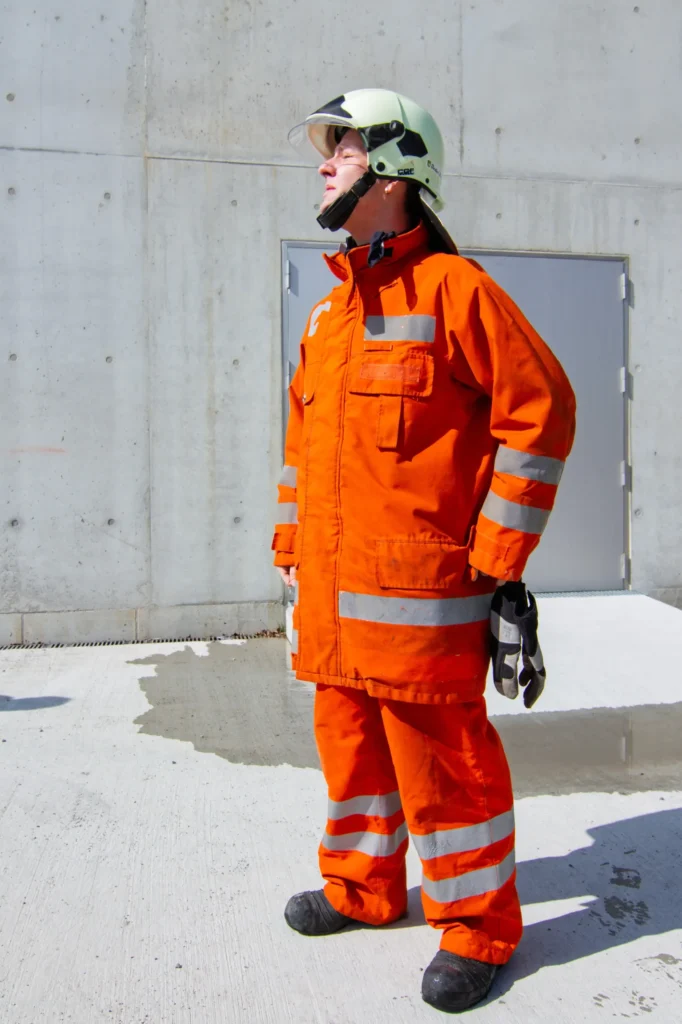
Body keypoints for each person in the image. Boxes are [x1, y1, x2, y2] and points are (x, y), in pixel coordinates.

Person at [272, 89, 576, 1014]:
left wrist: (500, 555)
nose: (325, 163)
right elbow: (303, 444)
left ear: (398, 167)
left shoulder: (459, 292)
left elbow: (544, 413)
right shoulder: (329, 318)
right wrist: (290, 548)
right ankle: (362, 888)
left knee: (444, 767)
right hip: (331, 597)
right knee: (349, 753)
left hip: (420, 600)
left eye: (345, 148)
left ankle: (479, 927)